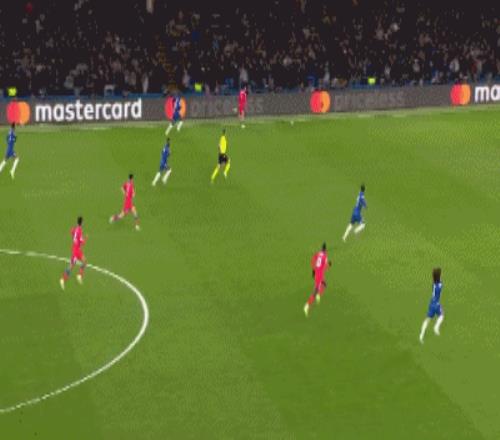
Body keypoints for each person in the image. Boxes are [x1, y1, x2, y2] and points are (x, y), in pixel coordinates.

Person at [304, 243, 332, 317]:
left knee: (324, 284)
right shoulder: (325, 256)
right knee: (315, 291)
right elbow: (326, 267)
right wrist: (329, 265)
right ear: (325, 250)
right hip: (319, 276)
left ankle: (318, 295)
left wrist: (313, 270)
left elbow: (312, 260)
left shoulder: (318, 253)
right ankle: (307, 306)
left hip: (317, 273)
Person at [60, 216, 87, 290]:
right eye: (83, 222)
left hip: (76, 249)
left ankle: (78, 275)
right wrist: (85, 238)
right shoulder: (80, 230)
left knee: (82, 262)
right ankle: (63, 279)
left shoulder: (75, 228)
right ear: (82, 222)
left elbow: (71, 231)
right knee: (72, 265)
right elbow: (82, 242)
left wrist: (74, 238)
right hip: (76, 251)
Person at [419, 268, 444, 343]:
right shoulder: (440, 285)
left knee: (427, 319)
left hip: (432, 303)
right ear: (439, 276)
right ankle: (436, 327)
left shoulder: (434, 284)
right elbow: (440, 283)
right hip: (436, 304)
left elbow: (437, 280)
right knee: (441, 316)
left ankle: (421, 335)